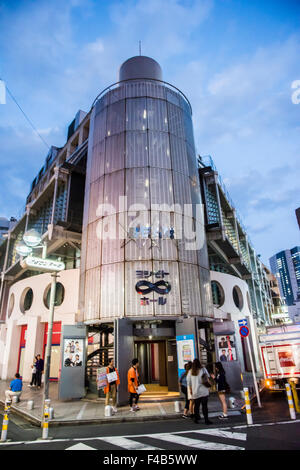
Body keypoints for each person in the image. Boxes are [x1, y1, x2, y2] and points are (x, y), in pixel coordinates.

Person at [187, 358, 212, 425]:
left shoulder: (190, 371)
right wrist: (209, 387)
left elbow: (189, 382)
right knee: (204, 406)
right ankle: (206, 420)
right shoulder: (203, 369)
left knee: (196, 406)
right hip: (204, 390)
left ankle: (196, 419)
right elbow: (208, 378)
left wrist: (191, 390)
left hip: (195, 391)